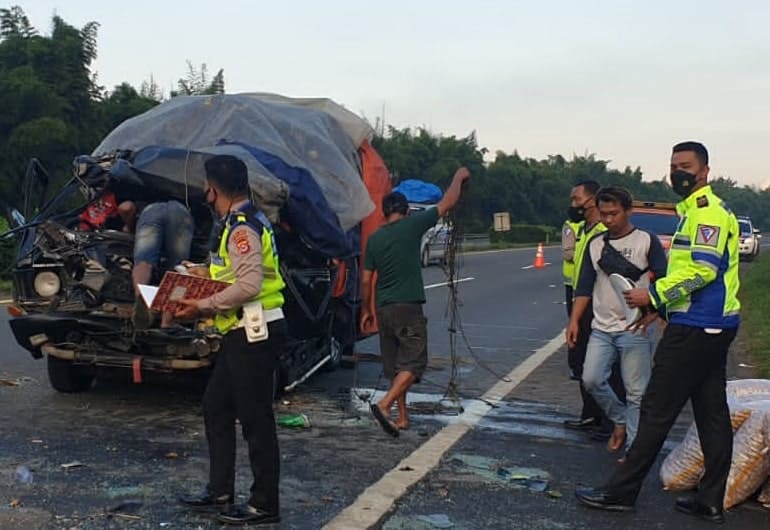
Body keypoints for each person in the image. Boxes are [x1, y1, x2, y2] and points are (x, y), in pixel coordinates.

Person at [575, 141, 741, 524]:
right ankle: (711, 499)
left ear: (704, 171)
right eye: (673, 166)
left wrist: (651, 294)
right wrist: (660, 307)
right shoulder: (694, 212)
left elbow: (702, 270)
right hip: (708, 324)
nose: (677, 173)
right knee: (712, 413)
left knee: (655, 410)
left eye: (685, 166)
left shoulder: (707, 214)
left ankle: (621, 492)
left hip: (698, 327)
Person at [176, 154, 287, 527]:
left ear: (212, 189)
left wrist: (201, 306)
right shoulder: (243, 221)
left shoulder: (240, 228)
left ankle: (264, 504)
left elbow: (250, 284)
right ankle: (219, 490)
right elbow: (237, 272)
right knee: (216, 406)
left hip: (254, 330)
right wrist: (202, 272)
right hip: (241, 330)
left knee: (256, 418)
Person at [361, 167, 471, 436]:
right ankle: (385, 405)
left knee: (397, 366)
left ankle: (403, 418)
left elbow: (365, 281)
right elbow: (447, 203)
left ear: (384, 213)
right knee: (413, 363)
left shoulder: (374, 239)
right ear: (406, 211)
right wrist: (458, 177)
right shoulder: (412, 226)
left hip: (383, 308)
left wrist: (366, 310)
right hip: (407, 308)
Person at [567, 187, 667, 453]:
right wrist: (574, 321)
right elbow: (584, 287)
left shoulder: (646, 241)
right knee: (591, 379)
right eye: (604, 214)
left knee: (637, 393)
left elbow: (665, 280)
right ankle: (619, 421)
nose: (609, 220)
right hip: (601, 327)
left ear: (628, 210)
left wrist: (657, 310)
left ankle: (633, 451)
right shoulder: (596, 244)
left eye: (614, 214)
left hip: (635, 329)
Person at [562, 180, 616, 439]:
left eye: (577, 199)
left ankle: (610, 420)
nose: (573, 205)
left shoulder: (605, 231)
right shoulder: (585, 229)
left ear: (592, 200)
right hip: (581, 299)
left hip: (599, 304)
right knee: (581, 359)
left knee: (603, 364)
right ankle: (591, 415)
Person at [132, 200, 195, 328]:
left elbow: (126, 207)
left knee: (143, 262)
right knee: (178, 269)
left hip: (151, 210)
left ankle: (141, 296)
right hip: (181, 212)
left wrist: (128, 226)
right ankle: (167, 321)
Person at [561, 217, 582, 316]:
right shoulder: (571, 225)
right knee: (574, 315)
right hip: (572, 279)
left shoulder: (600, 224)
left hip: (593, 279)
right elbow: (568, 254)